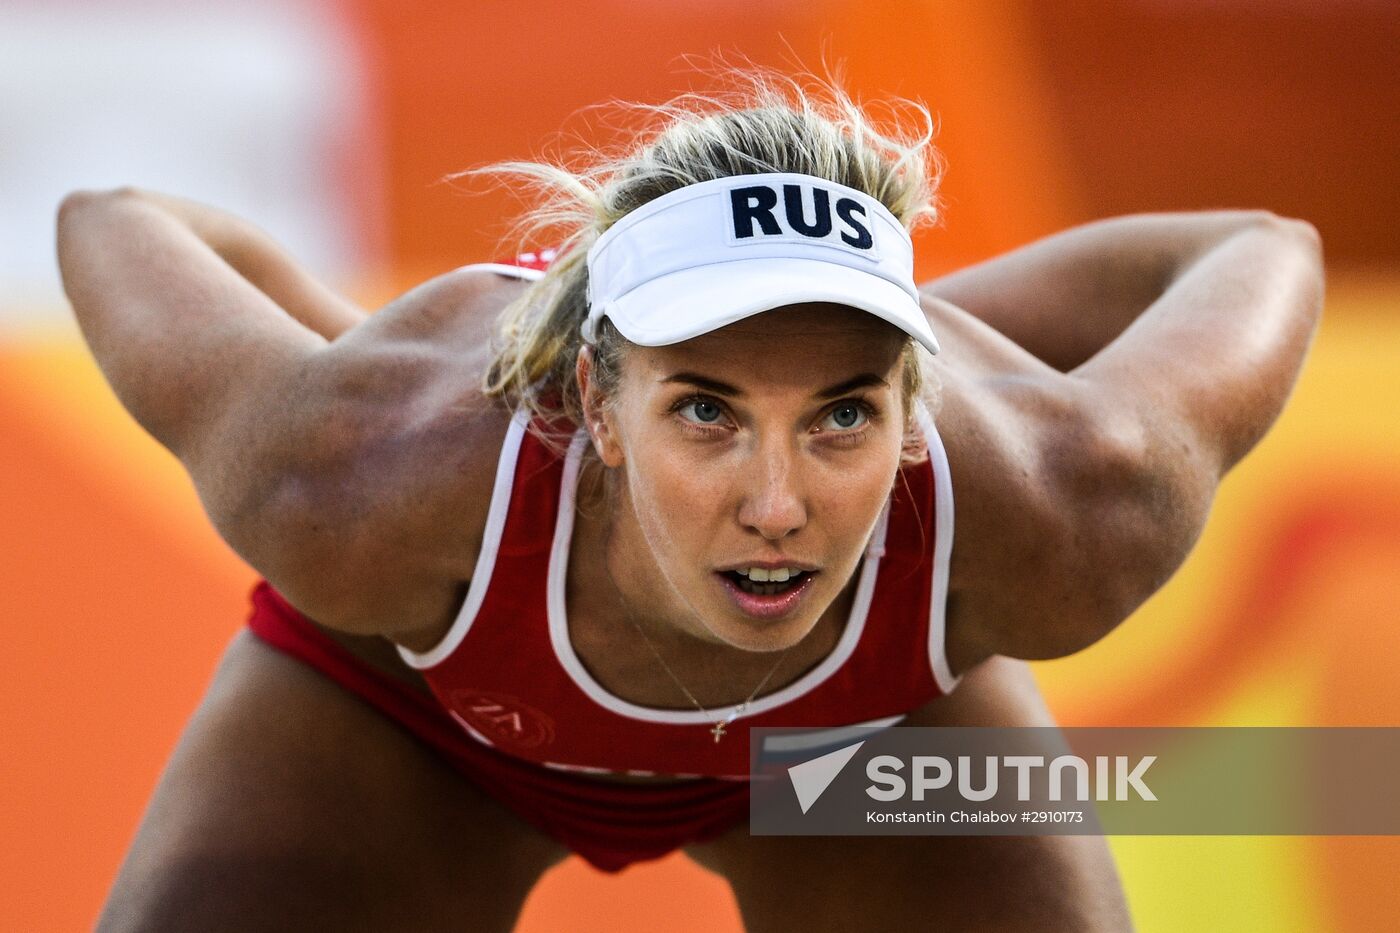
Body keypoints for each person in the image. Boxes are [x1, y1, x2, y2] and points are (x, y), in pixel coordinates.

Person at [58, 71, 1322, 932]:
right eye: (705, 409)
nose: (776, 508)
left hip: (844, 762)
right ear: (595, 410)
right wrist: (348, 347)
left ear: (914, 408)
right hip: (421, 726)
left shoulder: (1076, 497)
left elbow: (1266, 240)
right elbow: (109, 213)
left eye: (842, 410)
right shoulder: (355, 466)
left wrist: (943, 320)